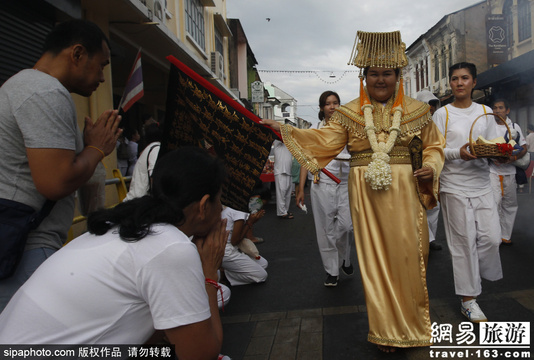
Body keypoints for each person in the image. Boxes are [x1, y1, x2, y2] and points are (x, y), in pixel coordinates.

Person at [261, 31, 445, 352]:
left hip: (407, 193)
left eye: (387, 72)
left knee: (410, 257)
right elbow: (323, 142)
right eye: (373, 73)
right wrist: (287, 130)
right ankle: (386, 330)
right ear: (364, 76)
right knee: (376, 262)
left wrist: (431, 166)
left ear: (398, 76)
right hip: (368, 197)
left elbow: (434, 147)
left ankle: (413, 325)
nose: (380, 79)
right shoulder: (348, 114)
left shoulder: (418, 111)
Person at [0, 147, 228, 359]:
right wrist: (209, 274)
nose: (222, 209)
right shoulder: (170, 247)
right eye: (220, 201)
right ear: (204, 205)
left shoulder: (125, 226)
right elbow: (201, 354)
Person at [0, 19, 122, 312]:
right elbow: (55, 182)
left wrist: (86, 149)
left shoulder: (25, 86)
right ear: (77, 54)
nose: (103, 78)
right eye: (101, 66)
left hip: (22, 241)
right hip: (27, 245)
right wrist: (96, 148)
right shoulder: (45, 92)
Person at [433, 62, 503, 324]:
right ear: (450, 84)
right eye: (454, 79)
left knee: (491, 239)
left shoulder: (485, 112)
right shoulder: (442, 114)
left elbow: (496, 145)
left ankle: (475, 278)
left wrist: (503, 154)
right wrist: (457, 152)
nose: (459, 83)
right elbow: (434, 149)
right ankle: (468, 300)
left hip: (482, 183)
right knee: (463, 243)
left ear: (474, 82)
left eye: (464, 78)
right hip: (453, 185)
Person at [296, 90, 354, 287]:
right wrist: (301, 188)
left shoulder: (348, 127)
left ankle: (345, 257)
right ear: (322, 108)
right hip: (322, 183)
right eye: (328, 103)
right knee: (325, 229)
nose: (332, 107)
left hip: (345, 183)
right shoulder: (315, 129)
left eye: (336, 102)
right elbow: (306, 158)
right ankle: (332, 271)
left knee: (346, 226)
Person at [490, 99, 527, 245]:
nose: (497, 110)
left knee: (510, 204)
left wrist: (513, 158)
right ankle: (495, 235)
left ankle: (505, 235)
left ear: (507, 110)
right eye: (494, 108)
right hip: (492, 170)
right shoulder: (489, 126)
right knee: (494, 203)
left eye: (500, 108)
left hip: (510, 171)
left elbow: (523, 147)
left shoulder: (514, 126)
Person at [221, 206, 268, 286]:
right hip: (227, 250)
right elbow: (235, 241)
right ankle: (224, 275)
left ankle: (227, 269)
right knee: (261, 276)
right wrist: (250, 223)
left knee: (263, 264)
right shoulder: (238, 211)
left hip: (229, 247)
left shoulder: (232, 208)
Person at [124, 123, 162, 201]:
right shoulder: (156, 149)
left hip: (137, 202)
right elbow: (154, 178)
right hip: (140, 203)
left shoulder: (150, 148)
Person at [272, 139, 294, 219]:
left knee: (287, 192)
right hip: (280, 170)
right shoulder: (278, 141)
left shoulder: (288, 143)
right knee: (282, 192)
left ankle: (285, 210)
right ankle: (282, 212)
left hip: (288, 170)